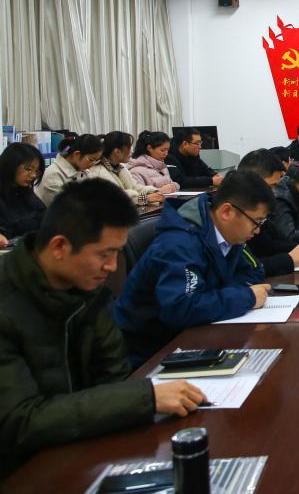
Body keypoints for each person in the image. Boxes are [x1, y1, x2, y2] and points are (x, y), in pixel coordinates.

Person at [0, 179, 206, 476]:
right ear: (59, 246)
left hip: (81, 450)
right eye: (104, 254)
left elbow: (114, 379)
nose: (112, 267)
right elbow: (20, 422)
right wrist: (145, 398)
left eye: (117, 253)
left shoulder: (89, 293)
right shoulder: (8, 305)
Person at [114, 171, 275, 366]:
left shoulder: (230, 234)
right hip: (152, 351)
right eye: (256, 222)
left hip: (198, 332)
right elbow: (180, 308)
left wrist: (219, 297)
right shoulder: (179, 242)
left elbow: (253, 270)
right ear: (227, 212)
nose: (258, 230)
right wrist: (245, 297)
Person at [237, 149, 299, 277]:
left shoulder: (257, 208)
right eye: (271, 186)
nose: (273, 193)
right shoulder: (235, 214)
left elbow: (267, 245)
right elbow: (244, 269)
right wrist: (288, 260)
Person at [88, 131, 175, 206]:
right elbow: (115, 198)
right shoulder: (99, 172)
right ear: (117, 152)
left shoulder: (120, 168)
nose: (131, 152)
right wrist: (146, 198)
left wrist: (155, 192)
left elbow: (135, 187)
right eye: (129, 149)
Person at [36, 133, 103, 206]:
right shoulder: (53, 176)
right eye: (91, 160)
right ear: (77, 154)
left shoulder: (82, 171)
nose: (93, 164)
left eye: (96, 161)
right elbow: (66, 209)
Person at [0, 143, 46, 247]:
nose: (33, 175)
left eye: (36, 171)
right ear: (11, 166)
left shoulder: (25, 191)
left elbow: (43, 216)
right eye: (28, 169)